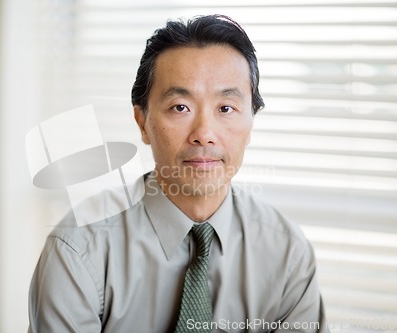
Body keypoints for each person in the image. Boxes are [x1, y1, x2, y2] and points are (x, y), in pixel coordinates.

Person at [28, 14, 329, 333]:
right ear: (142, 122)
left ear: (251, 122)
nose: (204, 133)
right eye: (180, 107)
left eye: (226, 108)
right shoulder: (78, 247)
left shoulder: (287, 252)